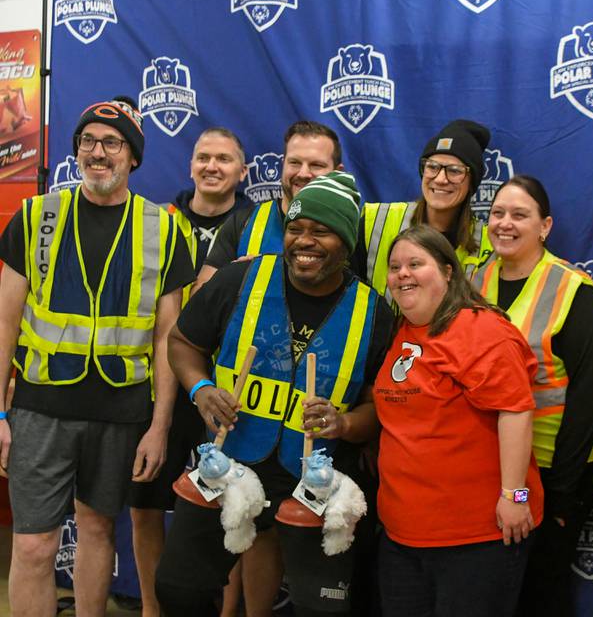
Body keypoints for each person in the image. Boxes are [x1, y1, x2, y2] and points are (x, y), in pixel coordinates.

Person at [155, 171, 394, 617]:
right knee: (177, 590)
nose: (305, 241)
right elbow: (183, 342)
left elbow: (380, 408)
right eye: (297, 229)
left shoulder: (374, 312)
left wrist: (344, 423)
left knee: (326, 610)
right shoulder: (239, 278)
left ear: (345, 241)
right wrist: (202, 389)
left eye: (321, 231)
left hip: (316, 478)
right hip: (228, 461)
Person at [0, 97, 194, 616]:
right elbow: (4, 322)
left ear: (133, 156)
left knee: (98, 529)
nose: (97, 152)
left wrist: (159, 426)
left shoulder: (164, 229)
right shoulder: (37, 217)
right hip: (40, 409)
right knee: (34, 545)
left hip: (120, 412)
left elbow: (167, 339)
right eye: (87, 141)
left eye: (112, 142)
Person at [373, 224, 543, 617]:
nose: (403, 274)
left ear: (449, 271)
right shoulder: (401, 331)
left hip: (474, 538)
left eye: (416, 263)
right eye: (395, 266)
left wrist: (514, 496)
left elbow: (516, 410)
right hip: (403, 537)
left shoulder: (481, 330)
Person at [127, 126, 252, 617]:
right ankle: (153, 610)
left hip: (224, 387)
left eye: (224, 159)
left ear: (243, 171)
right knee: (146, 502)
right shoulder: (160, 220)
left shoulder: (254, 223)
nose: (212, 166)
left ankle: (226, 612)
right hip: (158, 385)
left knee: (231, 507)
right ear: (190, 164)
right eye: (203, 157)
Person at [473, 175, 593, 617]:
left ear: (545, 226)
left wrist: (562, 496)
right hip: (489, 464)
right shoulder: (472, 280)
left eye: (519, 215)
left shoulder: (574, 290)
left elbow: (590, 396)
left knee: (541, 590)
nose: (505, 224)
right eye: (497, 214)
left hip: (555, 468)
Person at [350, 119, 493, 303]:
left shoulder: (487, 243)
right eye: (432, 167)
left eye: (454, 171)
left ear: (471, 182)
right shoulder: (375, 220)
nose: (441, 179)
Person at [195, 119, 344, 288]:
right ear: (283, 165)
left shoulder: (352, 231)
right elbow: (199, 297)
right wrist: (234, 276)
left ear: (337, 172)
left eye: (316, 165)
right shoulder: (242, 223)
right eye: (294, 162)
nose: (303, 173)